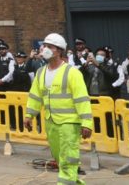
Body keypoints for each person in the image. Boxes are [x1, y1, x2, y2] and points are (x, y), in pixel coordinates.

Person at [24, 33, 92, 185]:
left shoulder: (72, 72)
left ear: (59, 51)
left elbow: (82, 99)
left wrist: (87, 123)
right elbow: (35, 96)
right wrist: (29, 115)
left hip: (69, 123)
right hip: (51, 122)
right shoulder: (41, 72)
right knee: (59, 158)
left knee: (68, 158)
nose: (45, 49)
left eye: (50, 46)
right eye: (44, 46)